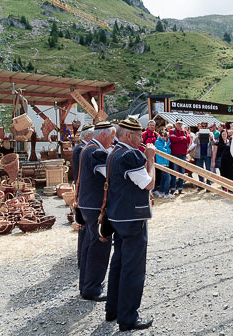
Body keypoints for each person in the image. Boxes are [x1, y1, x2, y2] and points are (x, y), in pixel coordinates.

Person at [105, 118, 155, 331]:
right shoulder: (131, 154)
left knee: (118, 263)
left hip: (117, 216)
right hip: (133, 217)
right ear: (127, 136)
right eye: (138, 135)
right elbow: (148, 183)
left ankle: (113, 309)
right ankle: (128, 318)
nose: (141, 139)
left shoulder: (113, 152)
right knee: (133, 268)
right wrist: (150, 160)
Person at [77, 121, 116, 302]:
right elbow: (108, 174)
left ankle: (86, 286)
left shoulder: (88, 148)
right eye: (111, 137)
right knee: (100, 246)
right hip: (95, 205)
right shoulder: (96, 151)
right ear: (103, 135)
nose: (112, 140)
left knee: (90, 245)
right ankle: (92, 288)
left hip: (87, 204)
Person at [72, 123, 93, 268]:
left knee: (84, 227)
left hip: (82, 190)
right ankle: (82, 260)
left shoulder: (80, 148)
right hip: (84, 191)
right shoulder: (81, 149)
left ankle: (83, 258)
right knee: (84, 228)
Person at [169, 119, 191, 194]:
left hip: (183, 154)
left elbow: (188, 140)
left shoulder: (185, 131)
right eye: (178, 124)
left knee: (182, 172)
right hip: (174, 154)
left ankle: (180, 188)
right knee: (174, 172)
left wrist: (178, 138)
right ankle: (172, 188)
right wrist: (182, 138)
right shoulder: (172, 131)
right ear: (175, 124)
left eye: (180, 124)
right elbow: (172, 139)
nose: (179, 125)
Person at [192, 122, 215, 188]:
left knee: (208, 169)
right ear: (201, 127)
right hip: (199, 154)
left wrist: (211, 138)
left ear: (207, 127)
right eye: (203, 126)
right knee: (199, 169)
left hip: (208, 154)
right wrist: (198, 137)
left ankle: (208, 184)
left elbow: (214, 143)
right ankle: (201, 184)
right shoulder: (197, 133)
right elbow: (194, 142)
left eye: (205, 126)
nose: (204, 127)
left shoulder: (210, 133)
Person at [153, 132, 173, 198]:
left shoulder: (165, 142)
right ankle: (166, 193)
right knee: (168, 177)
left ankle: (162, 192)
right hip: (161, 162)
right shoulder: (157, 142)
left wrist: (167, 146)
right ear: (159, 135)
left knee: (163, 178)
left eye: (165, 136)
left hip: (166, 162)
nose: (163, 137)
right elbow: (164, 152)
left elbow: (169, 152)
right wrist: (167, 147)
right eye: (162, 135)